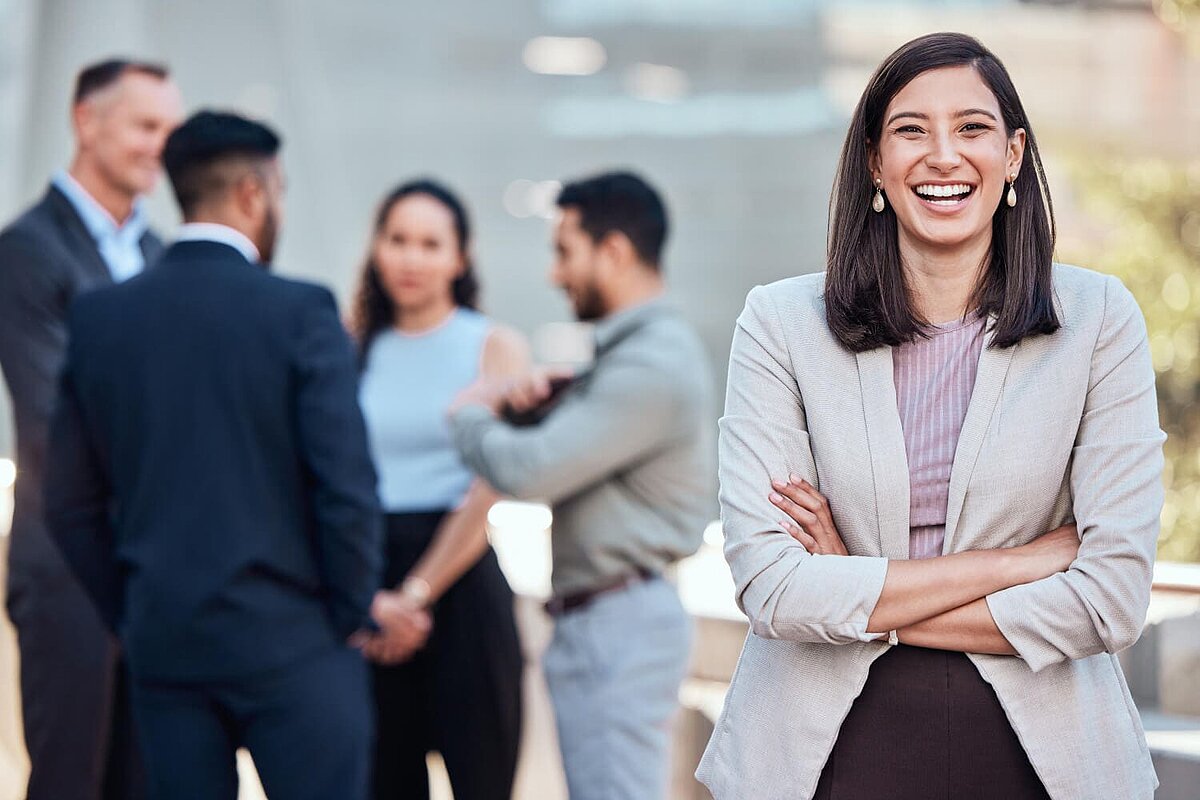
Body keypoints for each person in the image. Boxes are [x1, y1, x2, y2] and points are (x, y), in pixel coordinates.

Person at [695, 32, 1165, 800]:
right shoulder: (780, 324)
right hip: (822, 755)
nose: (943, 155)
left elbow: (1110, 601)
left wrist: (853, 586)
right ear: (876, 162)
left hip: (1043, 758)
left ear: (1013, 155)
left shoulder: (1099, 319)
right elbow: (775, 590)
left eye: (972, 128)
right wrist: (1019, 562)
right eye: (911, 130)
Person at [43, 110, 403, 800]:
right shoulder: (301, 312)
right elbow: (347, 487)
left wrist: (134, 609)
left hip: (166, 642)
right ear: (253, 193)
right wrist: (344, 614)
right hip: (297, 641)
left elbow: (67, 502)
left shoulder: (101, 318)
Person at [448, 171, 713, 800]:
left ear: (614, 251)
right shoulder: (629, 357)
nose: (554, 274)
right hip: (604, 622)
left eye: (565, 251)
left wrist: (470, 413)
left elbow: (529, 470)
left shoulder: (650, 362)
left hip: (617, 625)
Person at [0, 57, 182, 800]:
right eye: (145, 125)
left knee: (149, 781)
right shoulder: (26, 250)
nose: (158, 147)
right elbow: (55, 422)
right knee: (71, 780)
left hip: (152, 571)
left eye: (170, 131)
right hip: (68, 565)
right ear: (87, 121)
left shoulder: (163, 258)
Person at [350, 179, 527, 800]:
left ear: (460, 256)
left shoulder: (493, 345)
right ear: (376, 249)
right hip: (370, 593)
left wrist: (416, 594)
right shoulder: (349, 348)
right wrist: (376, 600)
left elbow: (491, 487)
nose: (411, 257)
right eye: (398, 240)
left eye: (430, 243)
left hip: (461, 582)